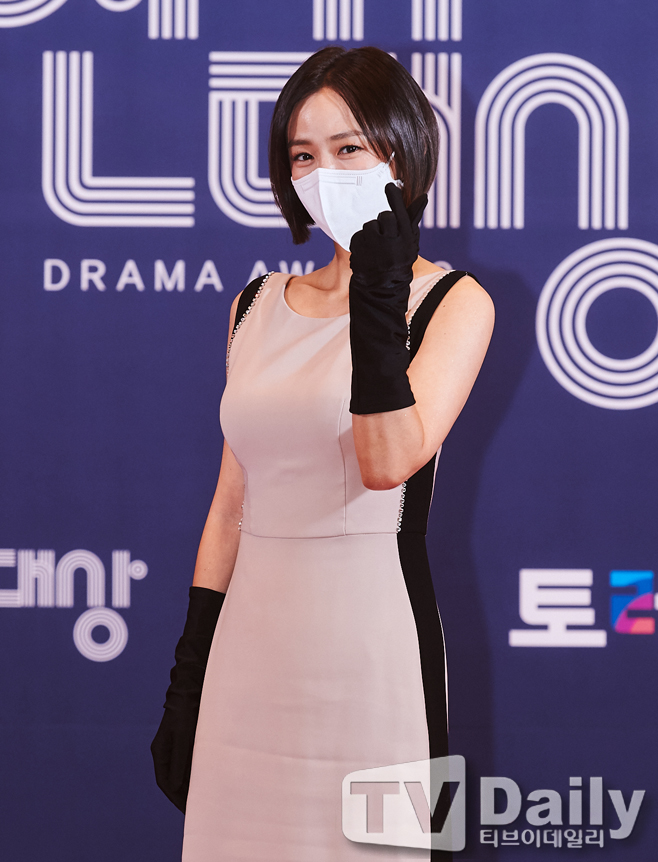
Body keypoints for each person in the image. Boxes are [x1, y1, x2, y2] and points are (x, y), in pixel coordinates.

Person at [151, 45, 494, 861]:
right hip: (247, 650)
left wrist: (379, 296)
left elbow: (386, 463)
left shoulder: (452, 302)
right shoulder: (255, 304)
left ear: (400, 153)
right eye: (304, 155)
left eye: (348, 148)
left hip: (366, 644)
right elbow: (231, 504)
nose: (324, 172)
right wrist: (190, 673)